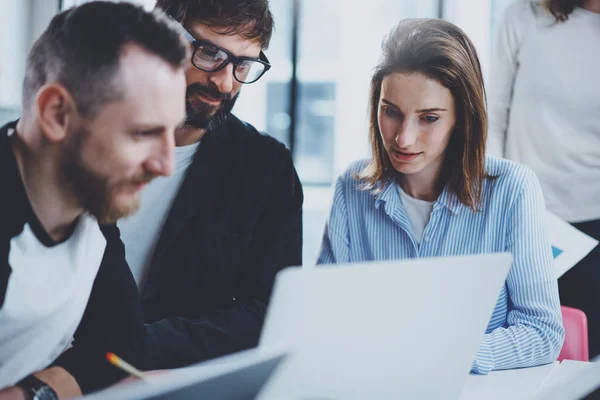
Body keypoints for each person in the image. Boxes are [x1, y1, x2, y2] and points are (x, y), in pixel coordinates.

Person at [317, 18, 564, 375]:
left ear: (462, 119)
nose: (403, 138)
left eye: (429, 118)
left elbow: (542, 333)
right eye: (391, 112)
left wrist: (445, 355)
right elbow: (326, 319)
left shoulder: (513, 189)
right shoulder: (350, 188)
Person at [0, 2, 188, 398]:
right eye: (143, 132)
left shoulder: (89, 197)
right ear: (57, 114)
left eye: (172, 131)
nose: (166, 165)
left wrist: (32, 393)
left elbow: (119, 340)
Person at [115, 0, 303, 370]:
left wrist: (137, 347)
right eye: (210, 53)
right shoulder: (82, 137)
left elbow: (269, 313)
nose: (225, 81)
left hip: (179, 380)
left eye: (243, 64)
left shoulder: (266, 168)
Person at [488, 0, 600, 358]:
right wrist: (494, 196)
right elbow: (492, 114)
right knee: (517, 347)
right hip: (524, 213)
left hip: (593, 220)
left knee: (585, 355)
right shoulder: (523, 14)